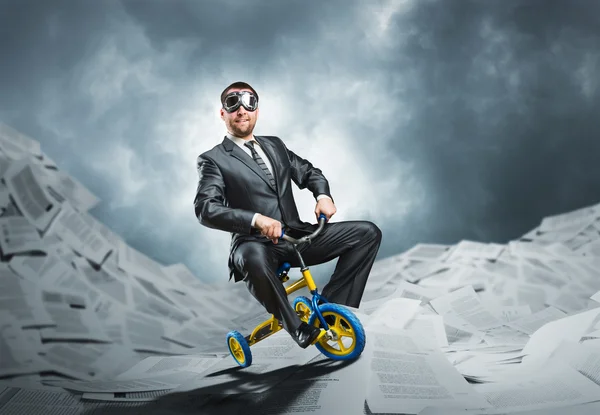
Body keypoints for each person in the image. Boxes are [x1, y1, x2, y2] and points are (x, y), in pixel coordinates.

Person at [194, 81, 382, 349]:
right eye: (232, 103)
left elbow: (308, 172)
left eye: (249, 102)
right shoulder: (213, 159)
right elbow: (206, 209)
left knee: (367, 233)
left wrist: (323, 195)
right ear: (222, 113)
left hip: (296, 235)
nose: (241, 110)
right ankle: (297, 328)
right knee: (251, 257)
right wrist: (256, 220)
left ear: (257, 110)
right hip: (254, 244)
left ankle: (331, 311)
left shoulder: (275, 145)